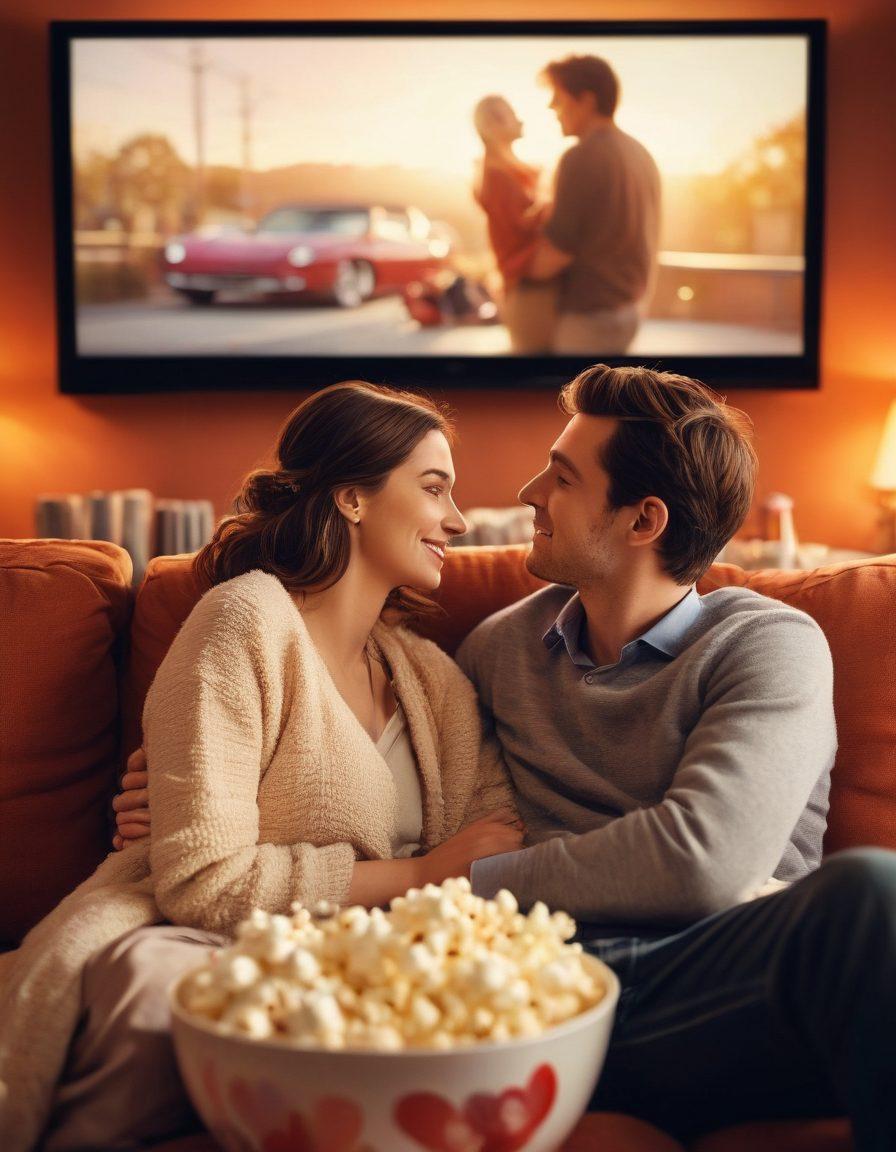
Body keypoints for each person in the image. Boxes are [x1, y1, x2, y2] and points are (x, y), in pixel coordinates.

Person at [116, 366, 896, 1148]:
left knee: (873, 890)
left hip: (713, 979)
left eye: (560, 477)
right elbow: (407, 783)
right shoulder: (499, 651)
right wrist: (196, 781)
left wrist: (466, 876)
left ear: (642, 520)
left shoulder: (766, 644)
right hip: (528, 981)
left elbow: (701, 861)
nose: (526, 492)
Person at [0, 381, 525, 1152]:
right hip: (210, 940)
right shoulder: (244, 621)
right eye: (434, 487)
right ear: (352, 497)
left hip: (379, 960)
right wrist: (422, 873)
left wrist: (436, 881)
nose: (456, 519)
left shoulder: (430, 678)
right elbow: (204, 881)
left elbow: (502, 836)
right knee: (165, 1000)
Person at [524, 56, 661, 356]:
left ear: (586, 100)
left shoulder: (581, 156)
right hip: (628, 313)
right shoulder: (640, 153)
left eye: (558, 99)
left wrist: (510, 274)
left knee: (575, 404)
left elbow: (553, 258)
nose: (551, 108)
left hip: (587, 323)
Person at [472, 94, 558, 354]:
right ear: (489, 127)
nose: (518, 118)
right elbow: (524, 227)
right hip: (526, 289)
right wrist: (557, 201)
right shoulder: (496, 175)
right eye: (506, 114)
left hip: (531, 285)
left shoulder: (512, 171)